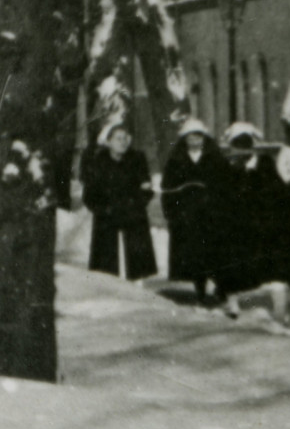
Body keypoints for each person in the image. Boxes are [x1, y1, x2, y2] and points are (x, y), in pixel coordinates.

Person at [221, 122, 290, 321]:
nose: (241, 150)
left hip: (266, 226)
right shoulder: (229, 169)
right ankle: (232, 302)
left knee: (276, 266)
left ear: (252, 146)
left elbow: (278, 194)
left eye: (245, 145)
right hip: (240, 227)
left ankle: (279, 309)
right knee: (231, 263)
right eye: (237, 145)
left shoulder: (265, 165)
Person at [160, 120, 233, 307]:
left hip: (212, 215)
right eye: (191, 136)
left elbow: (227, 185)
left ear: (204, 137)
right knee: (194, 256)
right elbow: (168, 189)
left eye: (198, 135)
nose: (195, 140)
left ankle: (222, 290)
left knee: (216, 255)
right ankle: (200, 292)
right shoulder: (175, 160)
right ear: (184, 138)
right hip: (187, 217)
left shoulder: (216, 158)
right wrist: (172, 214)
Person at [82, 122, 158, 281]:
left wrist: (134, 204)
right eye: (118, 138)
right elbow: (89, 195)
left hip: (133, 214)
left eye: (125, 138)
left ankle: (138, 283)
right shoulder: (98, 162)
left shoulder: (137, 159)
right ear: (108, 142)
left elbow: (146, 188)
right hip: (107, 216)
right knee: (105, 266)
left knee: (137, 262)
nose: (123, 142)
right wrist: (104, 209)